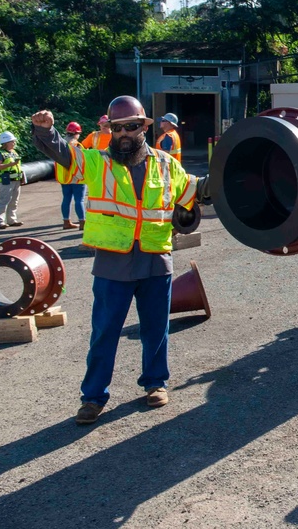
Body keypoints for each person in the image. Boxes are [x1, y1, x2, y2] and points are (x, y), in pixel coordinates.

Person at [31, 96, 210, 425]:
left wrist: (226, 179)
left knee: (156, 329)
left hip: (156, 260)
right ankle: (93, 397)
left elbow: (193, 192)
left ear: (144, 126)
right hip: (114, 263)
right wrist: (46, 132)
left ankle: (156, 383)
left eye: (131, 126)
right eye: (117, 128)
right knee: (105, 332)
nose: (124, 133)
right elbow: (64, 154)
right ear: (110, 130)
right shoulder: (98, 162)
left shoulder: (166, 164)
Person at [56, 121, 86, 229]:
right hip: (77, 176)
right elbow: (83, 160)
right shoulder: (77, 145)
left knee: (66, 199)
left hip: (64, 177)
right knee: (79, 200)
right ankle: (82, 222)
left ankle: (66, 222)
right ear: (77, 133)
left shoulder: (61, 144)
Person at [0, 131, 24, 229]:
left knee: (14, 200)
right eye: (12, 141)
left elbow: (18, 166)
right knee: (4, 200)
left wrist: (22, 177)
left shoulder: (14, 153)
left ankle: (12, 220)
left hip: (16, 179)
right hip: (6, 180)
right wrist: (11, 164)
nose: (14, 143)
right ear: (6, 143)